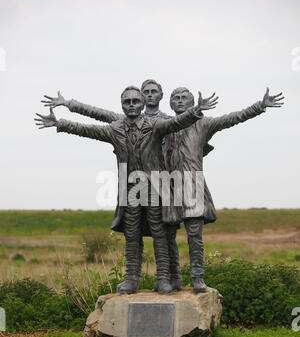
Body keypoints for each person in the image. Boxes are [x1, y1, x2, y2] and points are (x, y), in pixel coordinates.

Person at [35, 86, 218, 295]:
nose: (132, 105)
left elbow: (177, 122)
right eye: (127, 102)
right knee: (131, 234)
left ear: (143, 104)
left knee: (160, 233)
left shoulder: (155, 125)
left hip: (157, 186)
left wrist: (196, 111)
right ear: (122, 105)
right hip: (130, 188)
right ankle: (131, 278)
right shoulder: (115, 128)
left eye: (135, 101)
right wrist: (60, 123)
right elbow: (88, 128)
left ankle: (164, 278)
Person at [163, 86, 285, 293]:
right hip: (168, 186)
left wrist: (260, 106)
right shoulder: (164, 126)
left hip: (192, 184)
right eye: (176, 98)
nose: (180, 100)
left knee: (194, 234)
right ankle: (174, 278)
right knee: (167, 234)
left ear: (192, 102)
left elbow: (231, 118)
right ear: (170, 103)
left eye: (184, 97)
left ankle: (197, 277)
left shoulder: (203, 123)